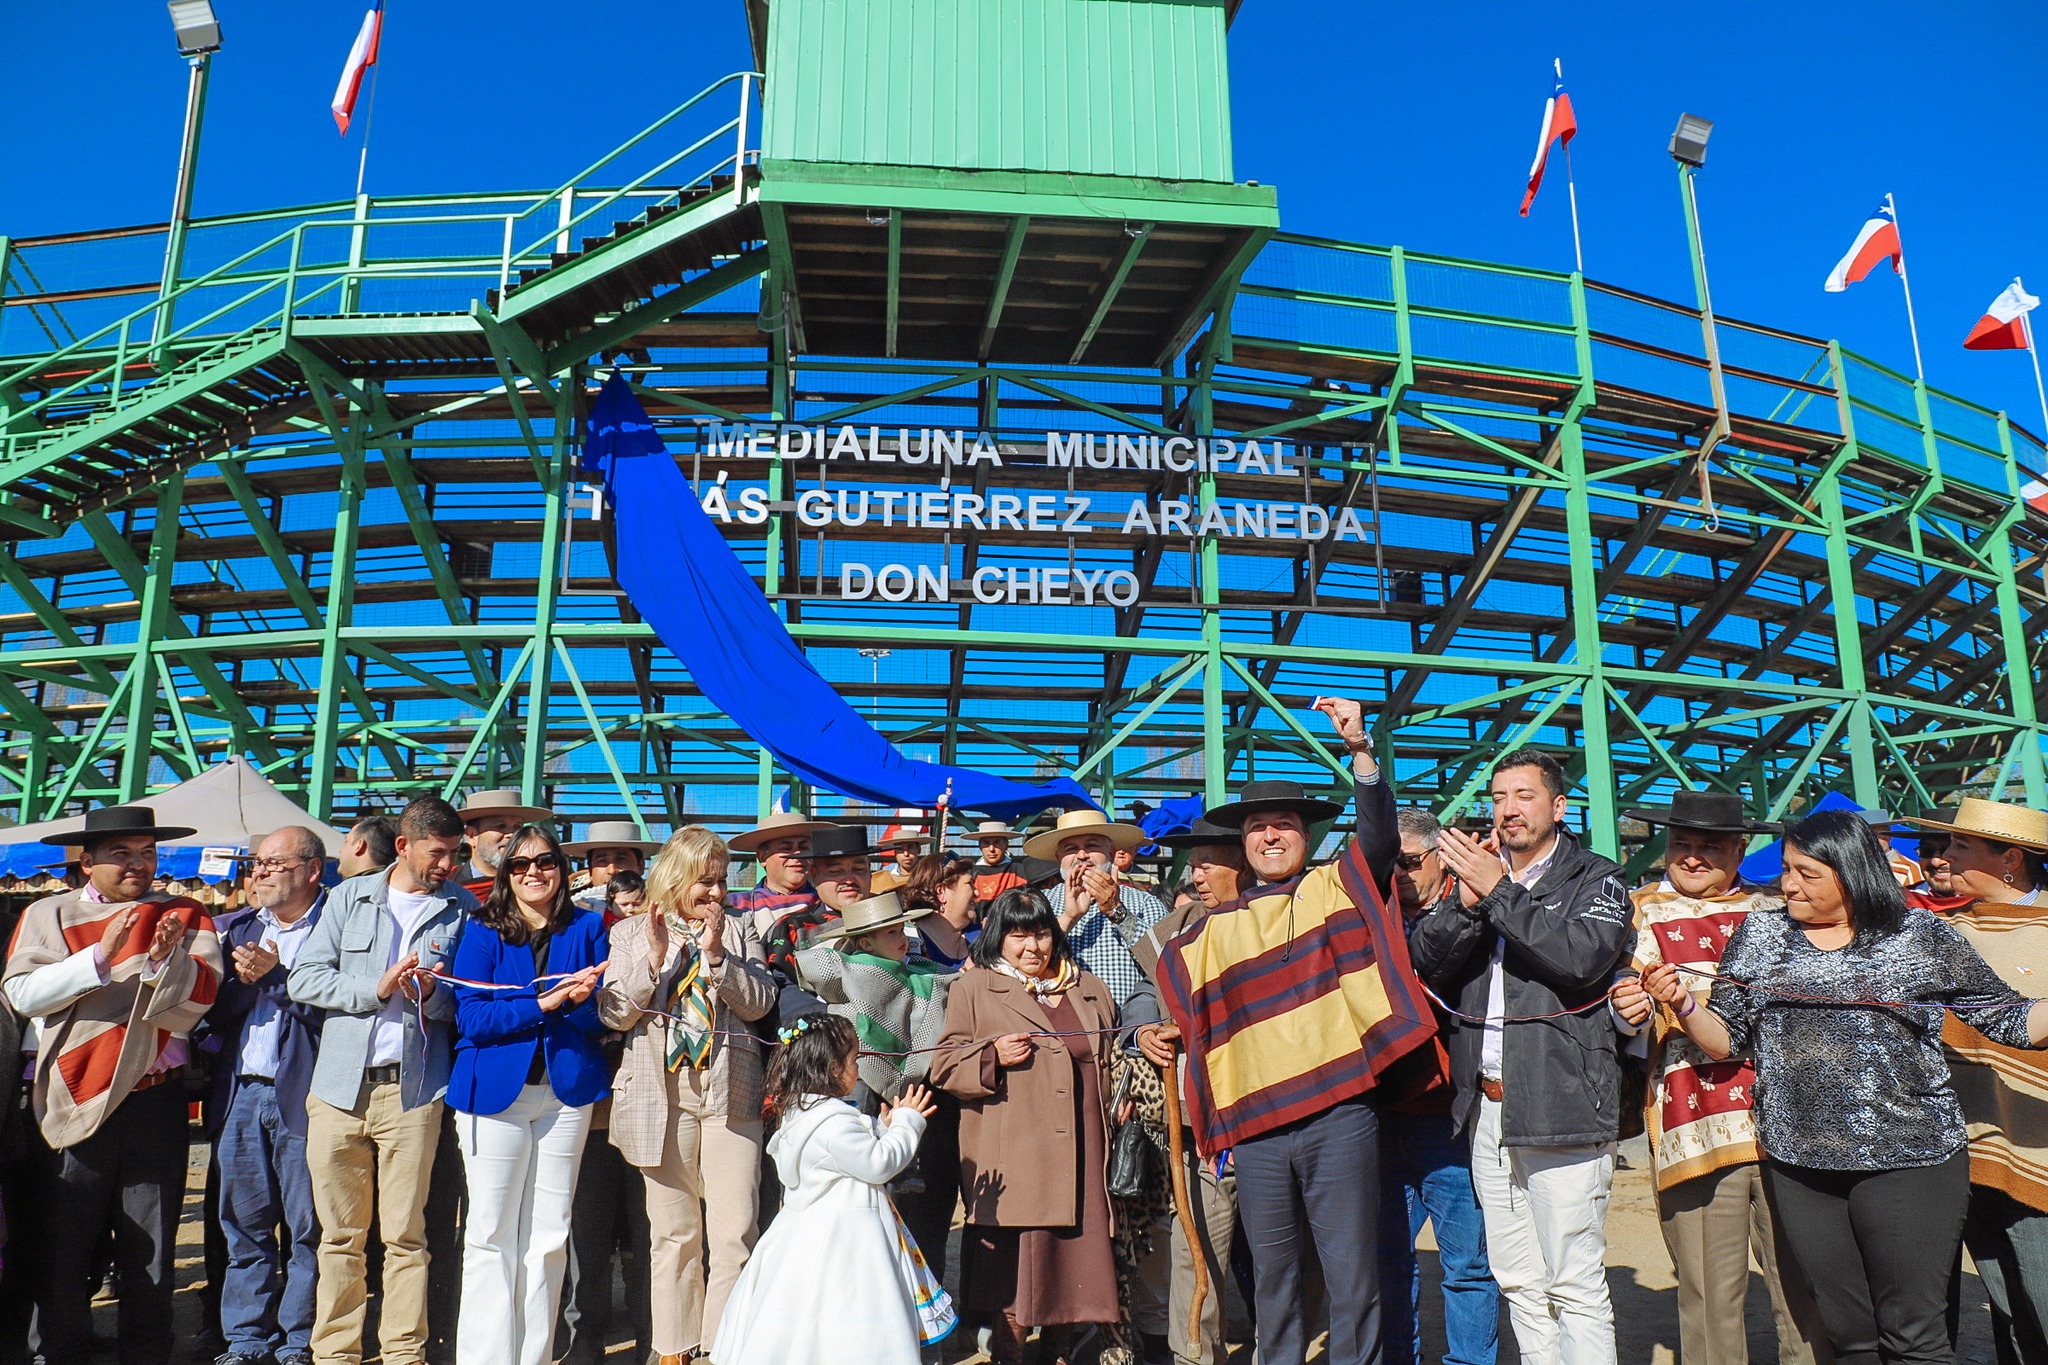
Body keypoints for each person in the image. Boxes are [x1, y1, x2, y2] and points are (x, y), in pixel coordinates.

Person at [1641, 809, 2048, 1365]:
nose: (1788, 885)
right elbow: (1727, 1041)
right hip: (1800, 1164)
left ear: (1851, 872)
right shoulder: (1760, 935)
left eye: (1807, 874)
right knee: (1848, 1335)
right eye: (1786, 870)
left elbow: (2010, 1021)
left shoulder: (1920, 934)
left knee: (1915, 1338)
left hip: (1911, 1160)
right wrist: (1683, 1005)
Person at [1146, 697, 1435, 1365]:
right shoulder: (1205, 935)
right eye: (1257, 827)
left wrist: (1360, 750)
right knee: (1272, 1284)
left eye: (1284, 824)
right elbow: (1154, 987)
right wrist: (1144, 1031)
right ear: (1241, 844)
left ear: (1306, 836)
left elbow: (1381, 837)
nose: (1271, 835)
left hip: (1340, 1114)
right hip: (1259, 1131)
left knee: (1351, 1277)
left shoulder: (1339, 884)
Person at [1412, 747, 1632, 1365]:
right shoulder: (1474, 883)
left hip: (1562, 1106)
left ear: (1558, 808)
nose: (1508, 810)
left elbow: (1581, 961)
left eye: (1524, 796)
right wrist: (1465, 904)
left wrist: (1500, 892)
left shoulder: (1598, 878)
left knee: (1574, 1281)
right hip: (1486, 1110)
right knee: (1518, 1281)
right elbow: (1424, 964)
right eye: (1499, 797)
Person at [1605, 792, 1826, 1365]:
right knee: (1707, 1296)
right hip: (1691, 1126)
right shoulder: (1632, 914)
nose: (1693, 857)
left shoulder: (1780, 913)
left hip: (1788, 1128)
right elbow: (1619, 1009)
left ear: (1740, 849)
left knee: (1804, 1289)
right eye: (1682, 844)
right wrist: (1628, 1009)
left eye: (1710, 846)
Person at [1, 804, 223, 1365]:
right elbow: (23, 994)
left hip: (155, 1100)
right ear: (86, 860)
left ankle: (147, 1354)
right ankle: (60, 1351)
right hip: (67, 1095)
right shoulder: (47, 914)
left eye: (146, 853)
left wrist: (163, 960)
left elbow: (190, 1011)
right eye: (121, 854)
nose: (137, 864)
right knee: (63, 1246)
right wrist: (99, 957)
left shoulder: (187, 916)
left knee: (150, 1250)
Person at [288, 795, 475, 1365]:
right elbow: (304, 979)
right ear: (404, 846)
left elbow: (466, 1002)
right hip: (339, 1090)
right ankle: (336, 1353)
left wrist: (434, 996)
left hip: (414, 1093)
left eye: (456, 853)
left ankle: (402, 1353)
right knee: (339, 1237)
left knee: (406, 1237)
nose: (448, 864)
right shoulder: (348, 898)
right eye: (437, 853)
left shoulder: (463, 911)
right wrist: (376, 990)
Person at [597, 826, 779, 1365]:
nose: (717, 893)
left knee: (734, 1233)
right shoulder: (631, 932)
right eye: (706, 882)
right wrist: (654, 961)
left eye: (722, 881)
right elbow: (615, 1013)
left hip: (731, 1093)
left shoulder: (741, 932)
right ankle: (674, 1348)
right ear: (677, 879)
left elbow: (761, 1002)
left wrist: (719, 957)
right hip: (661, 1094)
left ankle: (723, 1349)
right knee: (673, 1234)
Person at [931, 889, 1121, 1365]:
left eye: (1040, 933)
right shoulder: (972, 989)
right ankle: (1009, 1355)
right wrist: (991, 1057)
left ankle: (1061, 1355)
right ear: (1000, 937)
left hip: (1084, 1147)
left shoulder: (1088, 987)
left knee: (1072, 1265)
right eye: (1019, 935)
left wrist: (1122, 1094)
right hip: (1018, 1154)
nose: (1032, 947)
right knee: (1018, 1276)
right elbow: (943, 1067)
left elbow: (1113, 1053)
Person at [442, 822, 608, 1365]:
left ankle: (533, 1357)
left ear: (562, 871)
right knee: (490, 1235)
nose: (533, 872)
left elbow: (597, 1021)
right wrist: (545, 1003)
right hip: (493, 1095)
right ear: (506, 872)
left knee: (550, 1237)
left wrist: (582, 1002)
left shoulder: (587, 927)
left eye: (545, 862)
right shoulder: (483, 929)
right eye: (520, 864)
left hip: (565, 1094)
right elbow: (472, 1016)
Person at [709, 1014, 953, 1365]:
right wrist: (907, 1122)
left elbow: (850, 1160)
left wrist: (882, 1128)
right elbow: (878, 1163)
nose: (858, 1067)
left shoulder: (805, 1116)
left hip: (805, 1234)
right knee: (845, 1322)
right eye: (854, 1060)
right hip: (848, 1245)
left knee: (809, 1320)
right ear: (834, 1068)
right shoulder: (834, 1124)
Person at [1907, 798, 2048, 1362]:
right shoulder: (1938, 932)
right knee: (2005, 1308)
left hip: (2038, 1149)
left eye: (1961, 845)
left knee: (2041, 1302)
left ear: (2009, 857)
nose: (1945, 855)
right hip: (1954, 1150)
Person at [1370, 809, 1500, 1365]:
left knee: (1468, 1264)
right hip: (1382, 1115)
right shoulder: (1369, 919)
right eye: (1386, 863)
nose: (1396, 873)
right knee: (1389, 1259)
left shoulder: (1480, 911)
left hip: (1450, 1118)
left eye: (1407, 861)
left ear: (1440, 858)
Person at [1126, 816, 1248, 1365]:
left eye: (1207, 862)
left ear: (1241, 862)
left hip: (1280, 1118)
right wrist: (1144, 1026)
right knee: (1192, 1246)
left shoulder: (1287, 914)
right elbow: (1144, 992)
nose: (1195, 873)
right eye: (1191, 862)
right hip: (1205, 1124)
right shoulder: (1179, 927)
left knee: (1288, 1257)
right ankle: (1193, 1356)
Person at [209, 827, 331, 1365]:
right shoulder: (233, 928)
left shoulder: (338, 926)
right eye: (256, 863)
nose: (258, 872)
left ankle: (299, 1339)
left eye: (273, 863)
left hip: (307, 1096)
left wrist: (277, 977)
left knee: (308, 1228)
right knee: (244, 1226)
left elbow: (339, 1016)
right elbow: (213, 1017)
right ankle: (245, 1339)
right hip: (240, 1093)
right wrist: (241, 984)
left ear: (311, 870)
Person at [557, 871, 653, 1365]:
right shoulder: (588, 937)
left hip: (651, 1113)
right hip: (592, 1113)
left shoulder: (661, 942)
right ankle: (585, 1339)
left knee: (647, 1235)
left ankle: (651, 1337)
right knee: (587, 1236)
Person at [1025, 809, 1167, 1009]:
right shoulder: (1038, 905)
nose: (1082, 855)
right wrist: (1068, 918)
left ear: (1110, 853)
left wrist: (1117, 912)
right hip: (1056, 1033)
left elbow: (1167, 964)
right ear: (1059, 859)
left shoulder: (1145, 904)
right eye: (1070, 849)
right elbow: (1018, 968)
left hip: (1128, 1032)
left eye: (1092, 845)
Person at [763, 824, 875, 985]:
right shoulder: (793, 928)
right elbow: (783, 989)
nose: (849, 880)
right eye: (836, 871)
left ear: (870, 869)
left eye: (858, 869)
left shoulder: (901, 924)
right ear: (815, 875)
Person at [724, 812, 835, 938]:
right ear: (763, 857)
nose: (798, 854)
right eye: (786, 848)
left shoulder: (828, 903)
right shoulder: (735, 905)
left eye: (804, 847)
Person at [456, 788, 557, 894]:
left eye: (517, 827)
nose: (512, 835)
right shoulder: (446, 886)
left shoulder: (535, 887)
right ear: (471, 836)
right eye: (500, 826)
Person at [563, 820, 663, 914]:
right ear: (590, 871)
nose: (611, 870)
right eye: (602, 861)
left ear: (641, 866)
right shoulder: (570, 916)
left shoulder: (662, 913)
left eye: (621, 860)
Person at [900, 853, 978, 969]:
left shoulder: (980, 938)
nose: (977, 893)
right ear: (941, 892)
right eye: (969, 884)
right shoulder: (908, 945)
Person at [967, 821, 1028, 913]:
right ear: (980, 846)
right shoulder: (969, 875)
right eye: (986, 843)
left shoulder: (1020, 872)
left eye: (997, 843)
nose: (991, 849)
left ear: (1006, 845)